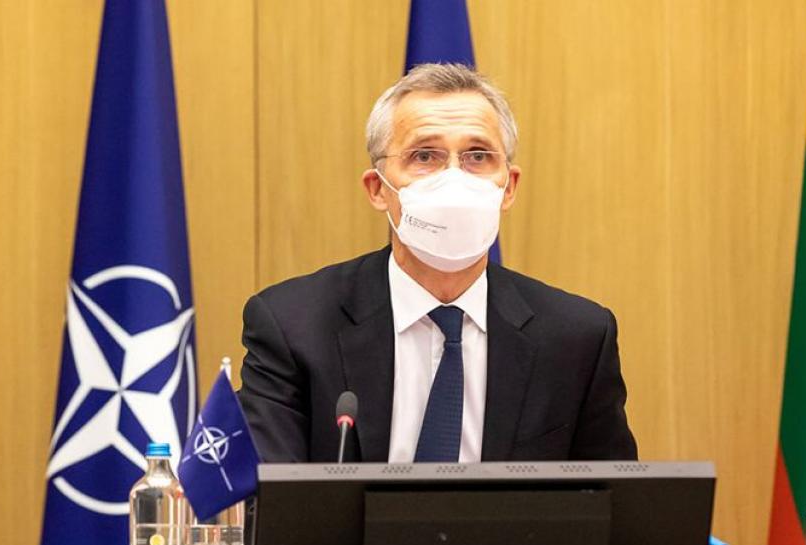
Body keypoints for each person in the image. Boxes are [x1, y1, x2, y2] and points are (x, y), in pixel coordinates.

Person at [239, 63, 637, 463]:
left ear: (509, 187)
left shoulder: (577, 338)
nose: (454, 180)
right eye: (425, 155)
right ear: (378, 188)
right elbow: (269, 493)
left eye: (477, 156)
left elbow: (614, 497)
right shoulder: (293, 327)